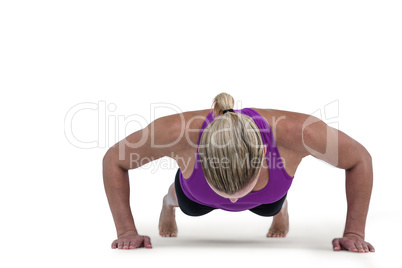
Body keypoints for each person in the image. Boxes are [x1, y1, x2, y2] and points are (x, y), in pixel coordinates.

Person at [102, 92, 375, 253]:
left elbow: (359, 160)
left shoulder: (299, 133)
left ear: (264, 158)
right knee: (187, 205)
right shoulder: (177, 133)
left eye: (242, 189)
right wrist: (126, 230)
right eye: (224, 191)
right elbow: (114, 160)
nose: (233, 202)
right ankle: (168, 203)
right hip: (195, 196)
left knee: (270, 206)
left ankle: (279, 207)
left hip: (268, 197)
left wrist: (354, 232)